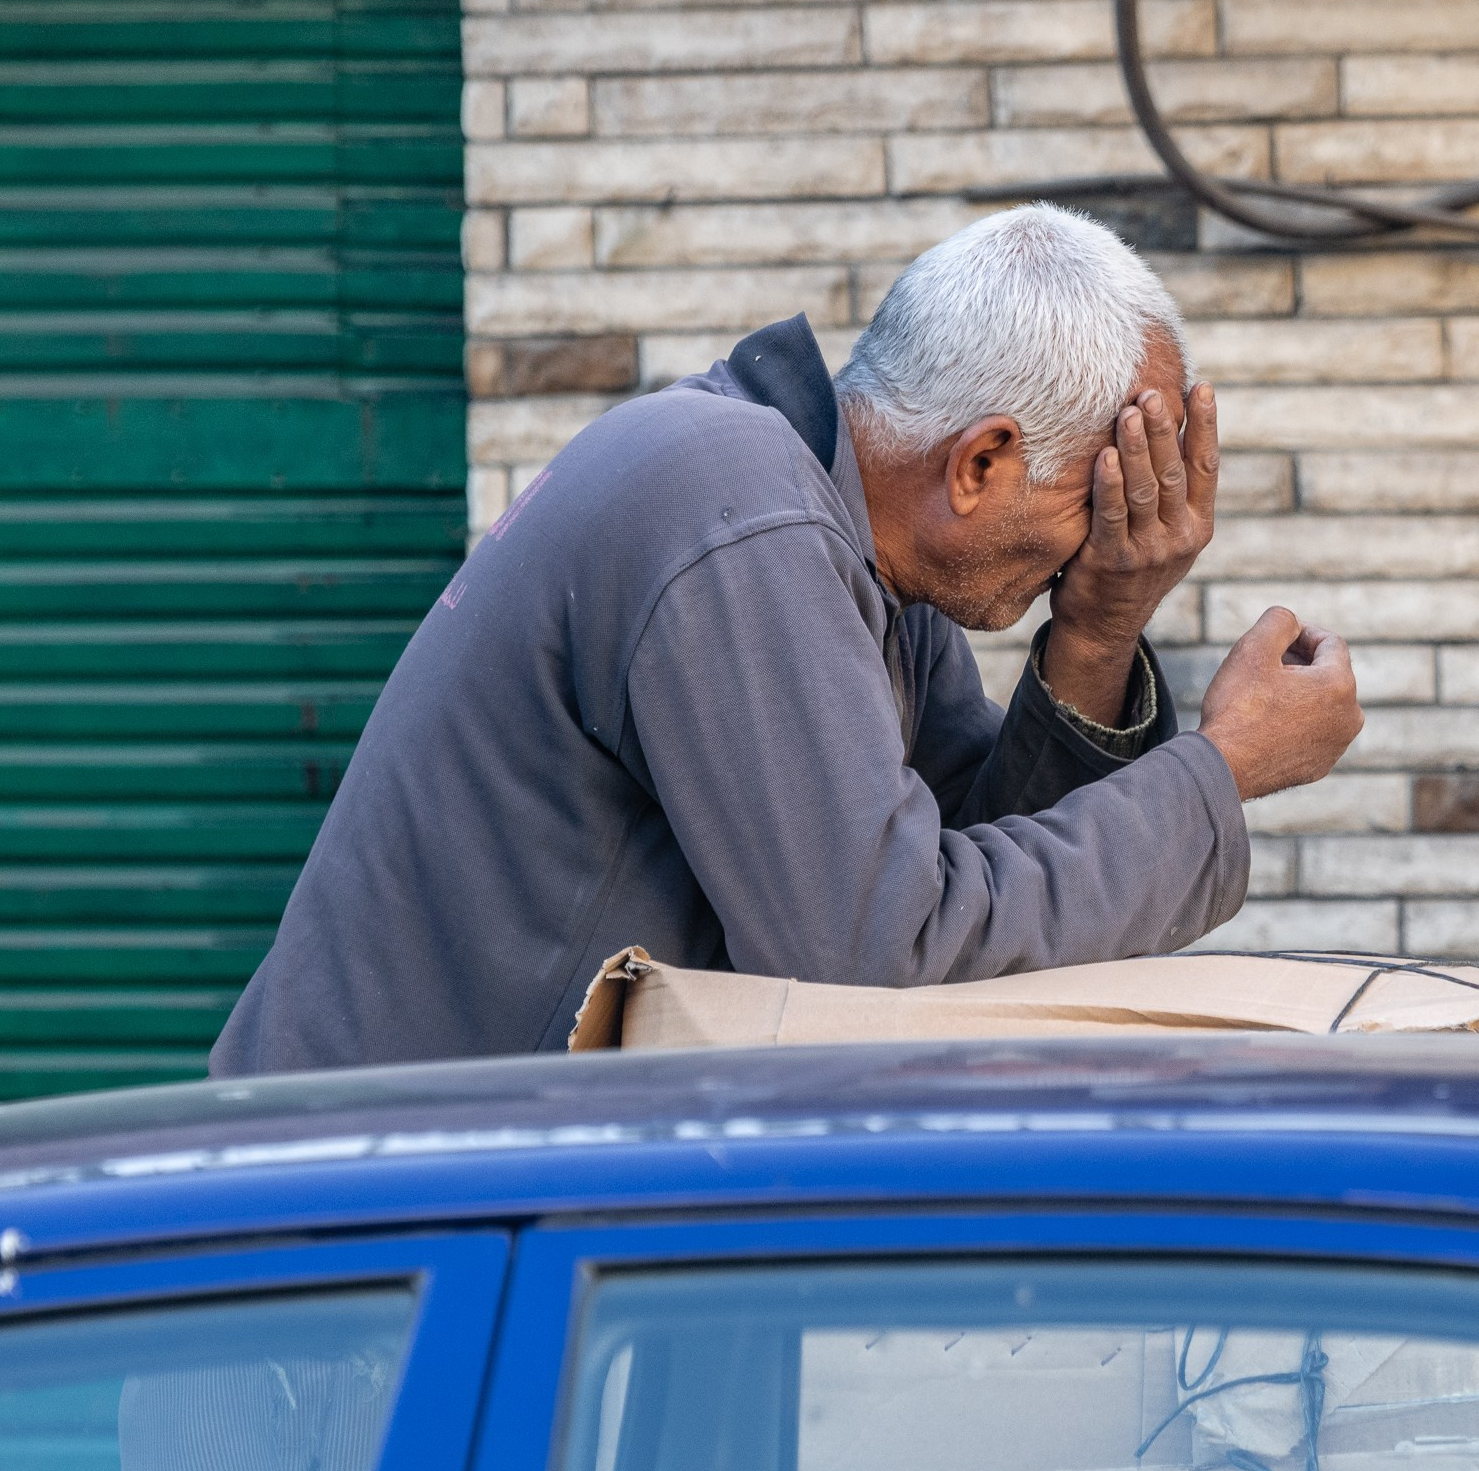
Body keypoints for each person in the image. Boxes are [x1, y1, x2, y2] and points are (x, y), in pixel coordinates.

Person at [211, 205, 1362, 1073]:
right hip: (351, 1255)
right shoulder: (738, 506)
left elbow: (982, 890)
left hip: (507, 1239)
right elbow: (883, 953)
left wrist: (1100, 627)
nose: (1108, 536)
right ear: (980, 463)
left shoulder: (860, 560)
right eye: (1092, 500)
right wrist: (1222, 769)